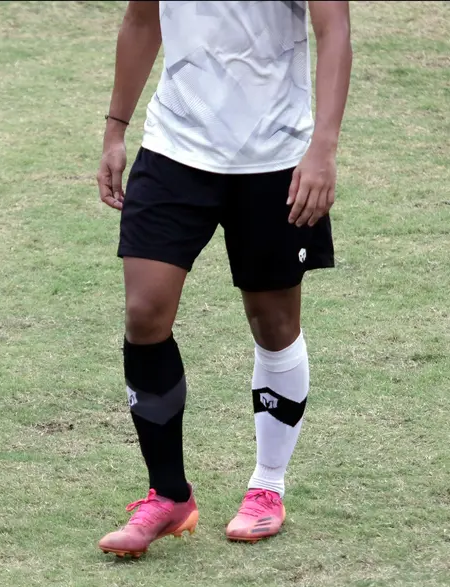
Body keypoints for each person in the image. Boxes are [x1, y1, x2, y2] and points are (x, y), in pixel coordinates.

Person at [95, 0, 352, 558]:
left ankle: (267, 485)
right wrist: (116, 131)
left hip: (275, 155)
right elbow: (143, 20)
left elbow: (334, 30)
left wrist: (323, 148)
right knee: (145, 313)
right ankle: (168, 495)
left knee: (274, 323)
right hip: (174, 149)